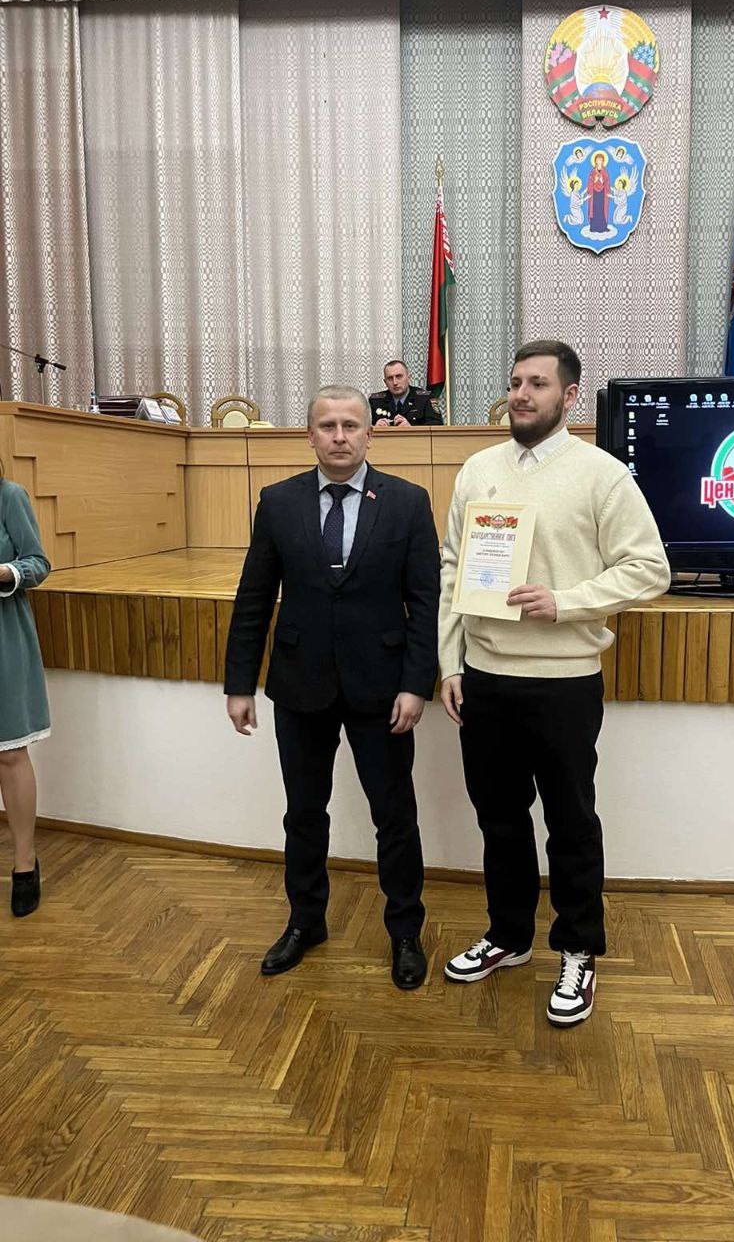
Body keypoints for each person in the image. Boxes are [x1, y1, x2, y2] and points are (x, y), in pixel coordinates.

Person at [438, 340, 670, 1026]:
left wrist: (564, 601)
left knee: (570, 823)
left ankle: (577, 949)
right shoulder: (478, 469)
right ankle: (508, 936)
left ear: (569, 396)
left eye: (538, 384)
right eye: (516, 382)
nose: (521, 394)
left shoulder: (603, 475)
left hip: (563, 683)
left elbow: (649, 569)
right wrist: (449, 663)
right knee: (499, 820)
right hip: (484, 679)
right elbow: (452, 569)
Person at [224, 385, 440, 989]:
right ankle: (305, 922)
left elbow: (425, 602)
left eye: (350, 425)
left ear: (370, 433)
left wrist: (415, 683)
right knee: (303, 814)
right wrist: (239, 684)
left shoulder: (407, 502)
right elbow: (253, 597)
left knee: (394, 817)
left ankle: (405, 932)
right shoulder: (277, 502)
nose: (339, 436)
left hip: (384, 690)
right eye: (328, 426)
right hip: (300, 686)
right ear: (310, 436)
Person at [0, 459, 51, 917]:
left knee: (10, 754)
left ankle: (24, 863)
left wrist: (4, 572)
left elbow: (37, 563)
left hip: (3, 640)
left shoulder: (9, 496)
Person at [369, 360, 444, 428]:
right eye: (390, 378)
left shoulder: (425, 398)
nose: (395, 382)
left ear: (409, 378)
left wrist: (411, 429)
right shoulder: (375, 401)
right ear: (385, 382)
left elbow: (437, 426)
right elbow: (364, 428)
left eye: (399, 377)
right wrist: (374, 428)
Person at [586, 152, 610, 234]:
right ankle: (593, 227)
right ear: (595, 161)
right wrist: (595, 181)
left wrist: (602, 181)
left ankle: (603, 227)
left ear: (603, 161)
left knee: (602, 209)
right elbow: (589, 183)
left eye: (601, 160)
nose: (599, 161)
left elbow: (607, 183)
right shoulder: (592, 172)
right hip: (594, 194)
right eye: (598, 160)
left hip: (602, 194)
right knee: (595, 209)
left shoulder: (605, 172)